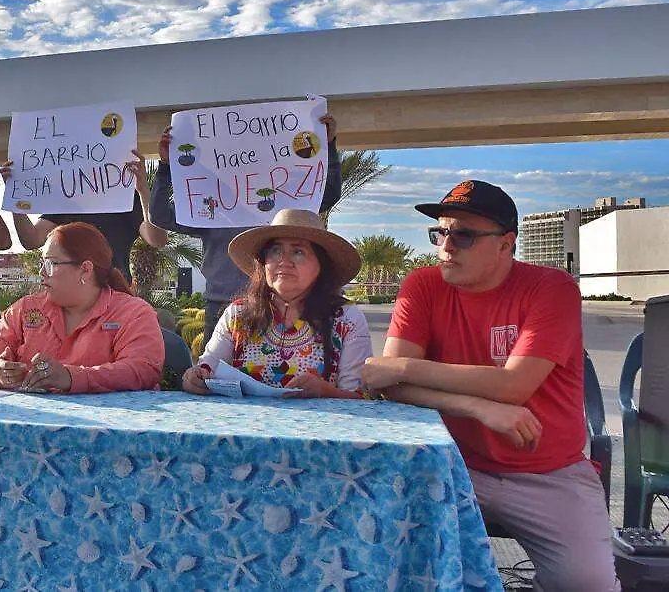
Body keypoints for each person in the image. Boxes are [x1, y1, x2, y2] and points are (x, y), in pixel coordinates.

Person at [361, 180, 619, 592]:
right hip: (448, 465)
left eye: (463, 235)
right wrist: (479, 407)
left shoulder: (551, 288)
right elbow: (391, 389)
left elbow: (514, 386)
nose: (447, 246)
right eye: (440, 233)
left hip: (546, 472)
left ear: (505, 244)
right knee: (374, 550)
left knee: (589, 584)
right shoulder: (422, 285)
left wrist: (405, 365)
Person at [151, 114, 342, 345]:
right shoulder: (210, 207)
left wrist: (328, 147)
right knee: (216, 377)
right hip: (221, 306)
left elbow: (327, 193)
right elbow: (161, 215)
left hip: (280, 306)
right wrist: (165, 167)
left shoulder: (281, 203)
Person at [181, 209, 370, 398]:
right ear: (263, 264)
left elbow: (359, 399)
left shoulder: (347, 319)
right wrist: (195, 377)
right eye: (275, 251)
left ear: (321, 265)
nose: (283, 261)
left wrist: (325, 391)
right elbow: (207, 368)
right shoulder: (237, 314)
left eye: (298, 252)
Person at [0, 222, 164, 393]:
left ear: (86, 269)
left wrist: (73, 377)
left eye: (51, 263)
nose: (41, 272)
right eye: (42, 263)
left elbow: (143, 369)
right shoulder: (24, 309)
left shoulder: (134, 312)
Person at [0, 151, 167, 281]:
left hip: (114, 296)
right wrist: (15, 196)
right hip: (71, 295)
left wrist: (143, 189)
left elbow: (157, 240)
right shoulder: (67, 198)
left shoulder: (126, 199)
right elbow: (32, 240)